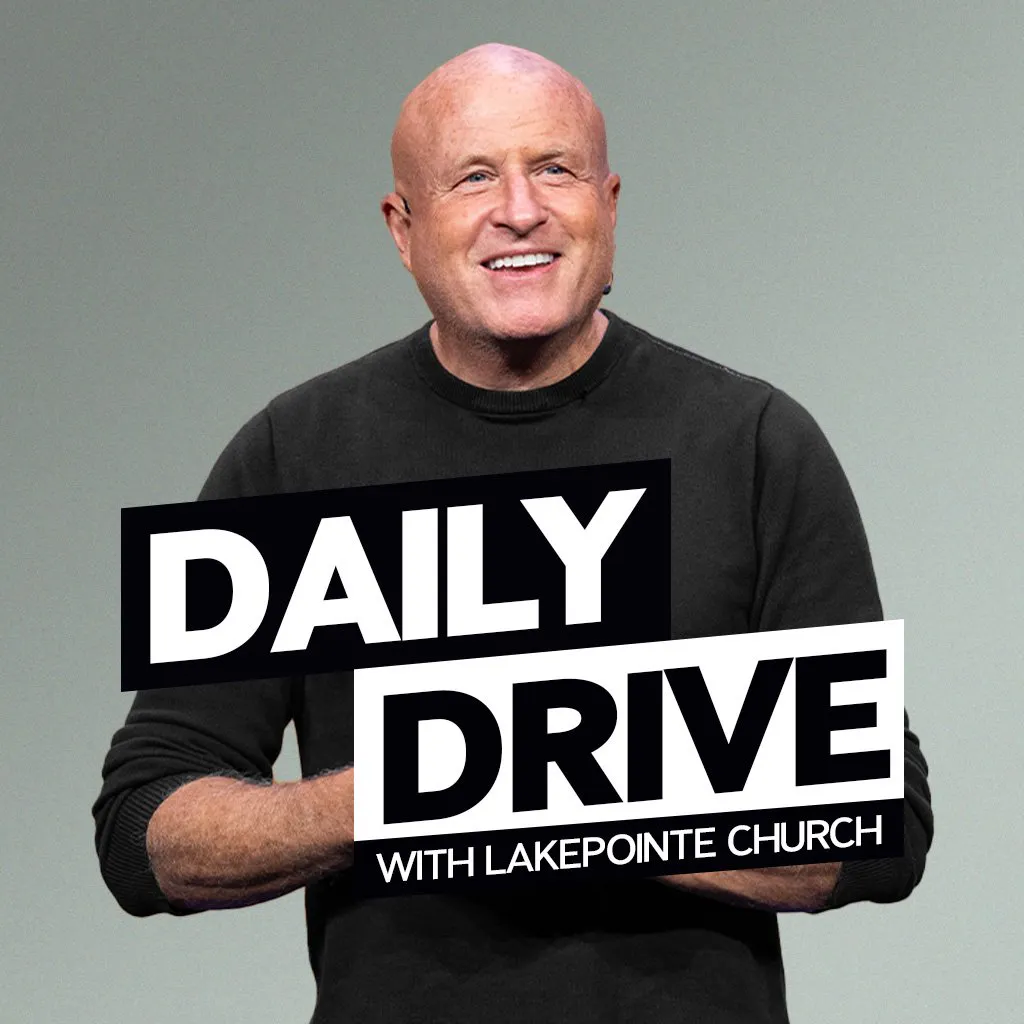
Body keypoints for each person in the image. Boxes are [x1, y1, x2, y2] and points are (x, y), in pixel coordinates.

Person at [94, 43, 932, 1022]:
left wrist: (517, 778)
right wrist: (396, 794)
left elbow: (879, 825)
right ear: (403, 228)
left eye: (555, 169)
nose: (520, 209)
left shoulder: (750, 443)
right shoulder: (296, 453)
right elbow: (145, 831)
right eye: (473, 177)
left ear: (608, 206)